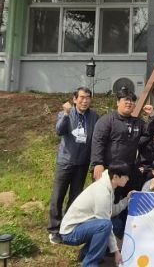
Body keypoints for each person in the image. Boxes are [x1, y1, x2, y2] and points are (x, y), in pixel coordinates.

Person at [48, 87, 98, 244]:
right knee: (58, 196)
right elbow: (59, 131)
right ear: (75, 99)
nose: (85, 101)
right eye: (82, 97)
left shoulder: (94, 116)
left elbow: (97, 138)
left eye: (88, 97)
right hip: (65, 161)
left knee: (75, 197)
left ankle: (68, 226)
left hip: (82, 163)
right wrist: (66, 114)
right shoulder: (66, 113)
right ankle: (54, 229)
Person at [59, 162, 132, 267]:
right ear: (116, 177)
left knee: (116, 224)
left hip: (84, 225)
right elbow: (105, 222)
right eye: (125, 176)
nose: (128, 179)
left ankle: (85, 254)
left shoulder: (109, 185)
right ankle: (90, 263)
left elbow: (110, 212)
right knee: (105, 226)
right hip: (70, 233)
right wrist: (116, 251)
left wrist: (127, 200)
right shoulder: (102, 192)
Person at [90, 88, 147, 193]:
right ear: (118, 102)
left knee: (134, 193)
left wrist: (152, 116)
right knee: (109, 197)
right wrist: (97, 164)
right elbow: (98, 142)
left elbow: (150, 133)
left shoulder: (138, 122)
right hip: (110, 168)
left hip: (129, 168)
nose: (129, 103)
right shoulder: (106, 120)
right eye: (126, 100)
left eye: (132, 101)